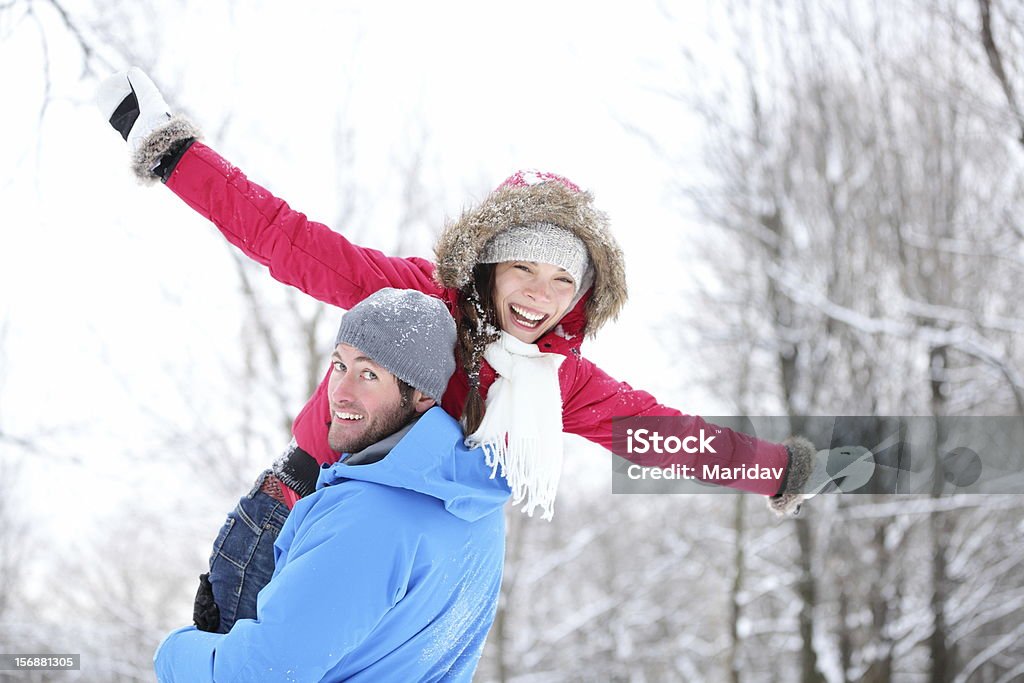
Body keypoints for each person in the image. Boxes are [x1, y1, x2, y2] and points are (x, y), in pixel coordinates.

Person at [97, 68, 819, 631]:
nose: (540, 294)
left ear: (582, 296)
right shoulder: (417, 300)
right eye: (525, 269)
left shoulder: (556, 380)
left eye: (562, 279)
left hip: (390, 562)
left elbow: (655, 434)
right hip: (298, 511)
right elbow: (290, 242)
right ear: (488, 264)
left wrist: (773, 470)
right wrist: (176, 156)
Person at [154, 287, 511, 682]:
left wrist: (174, 651)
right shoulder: (475, 502)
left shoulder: (369, 518)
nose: (339, 393)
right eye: (340, 366)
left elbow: (258, 674)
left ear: (422, 394)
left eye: (369, 374)